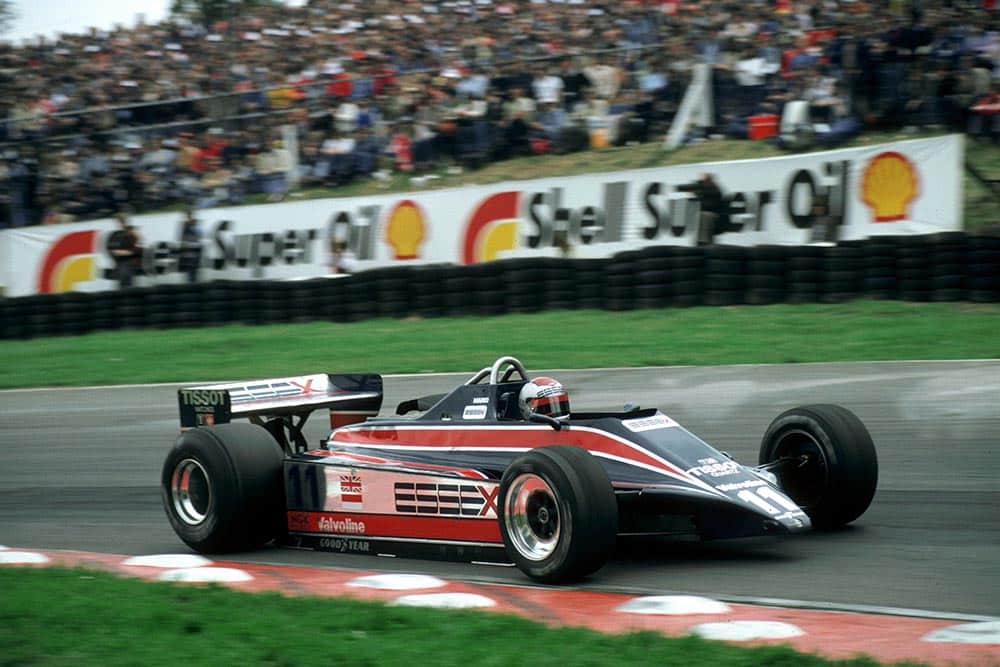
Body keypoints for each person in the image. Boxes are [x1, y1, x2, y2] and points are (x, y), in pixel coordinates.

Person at [678, 173, 728, 246]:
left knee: (704, 216)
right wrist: (695, 194)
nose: (702, 183)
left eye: (704, 181)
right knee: (701, 216)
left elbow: (709, 206)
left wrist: (697, 194)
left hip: (716, 215)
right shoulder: (706, 190)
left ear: (709, 181)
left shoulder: (714, 190)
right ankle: (701, 243)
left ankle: (703, 243)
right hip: (707, 215)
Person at [107, 212, 142, 287]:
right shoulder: (114, 235)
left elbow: (138, 245)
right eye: (120, 221)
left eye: (123, 221)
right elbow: (113, 251)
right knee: (124, 279)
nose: (122, 223)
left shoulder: (131, 233)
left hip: (130, 263)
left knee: (128, 280)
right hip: (121, 263)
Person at [178, 210, 203, 283]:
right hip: (189, 252)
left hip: (194, 252)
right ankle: (191, 283)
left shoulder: (194, 225)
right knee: (190, 271)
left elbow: (198, 236)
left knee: (194, 271)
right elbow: (183, 239)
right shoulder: (186, 225)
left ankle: (193, 283)